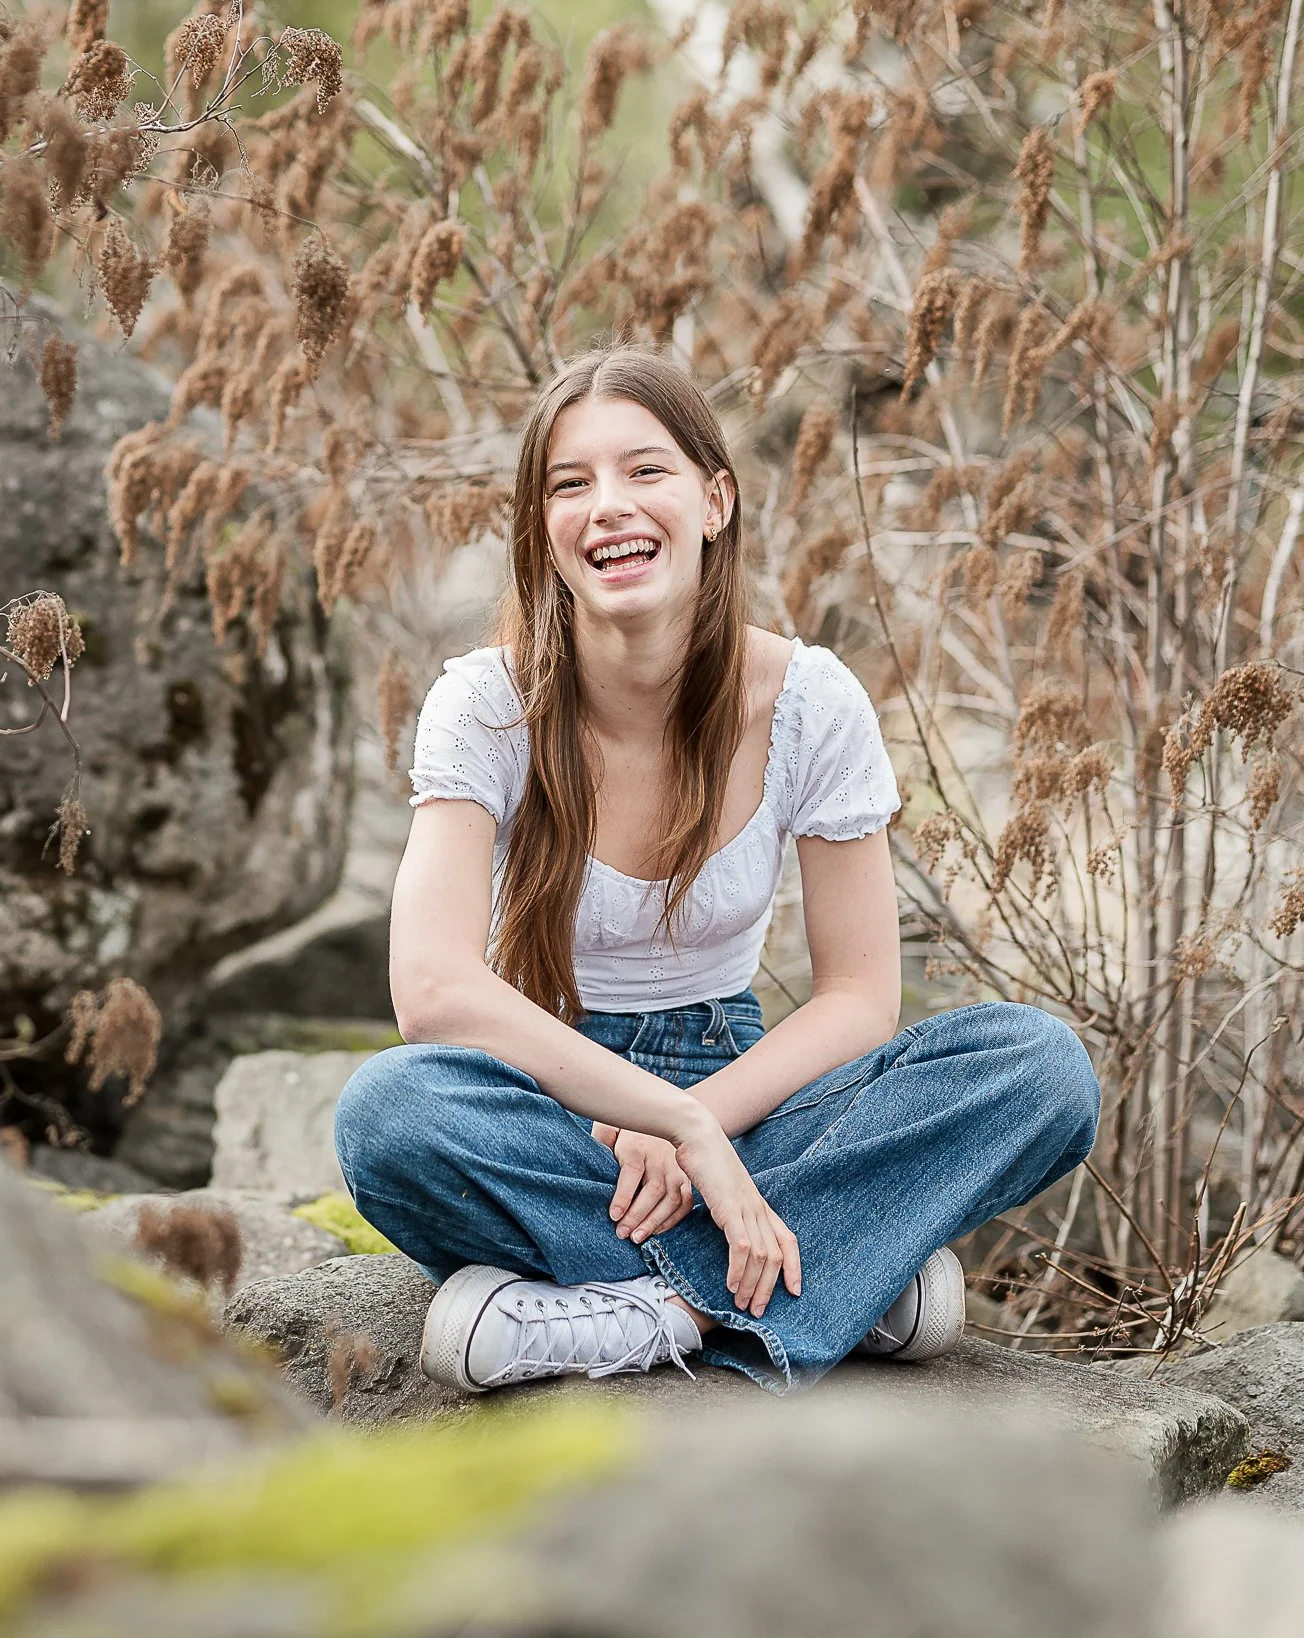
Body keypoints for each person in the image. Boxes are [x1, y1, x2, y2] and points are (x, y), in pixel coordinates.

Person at [334, 347, 1100, 1394]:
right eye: (569, 484)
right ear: (540, 529)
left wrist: (712, 1116)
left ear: (713, 499)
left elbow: (858, 996)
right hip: (560, 1100)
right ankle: (842, 1269)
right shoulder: (484, 704)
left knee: (1038, 1067)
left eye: (643, 471)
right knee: (389, 1115)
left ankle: (662, 1311)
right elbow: (430, 993)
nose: (607, 506)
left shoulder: (809, 702)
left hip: (752, 1089)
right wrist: (674, 1125)